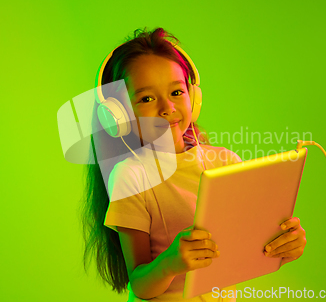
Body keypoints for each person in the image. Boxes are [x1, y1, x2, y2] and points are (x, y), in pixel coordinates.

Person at [81, 28, 307, 302]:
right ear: (118, 116)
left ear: (193, 97)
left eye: (177, 91)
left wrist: (284, 247)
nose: (167, 108)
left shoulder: (225, 162)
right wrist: (170, 263)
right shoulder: (131, 175)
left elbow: (246, 252)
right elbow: (140, 285)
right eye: (147, 99)